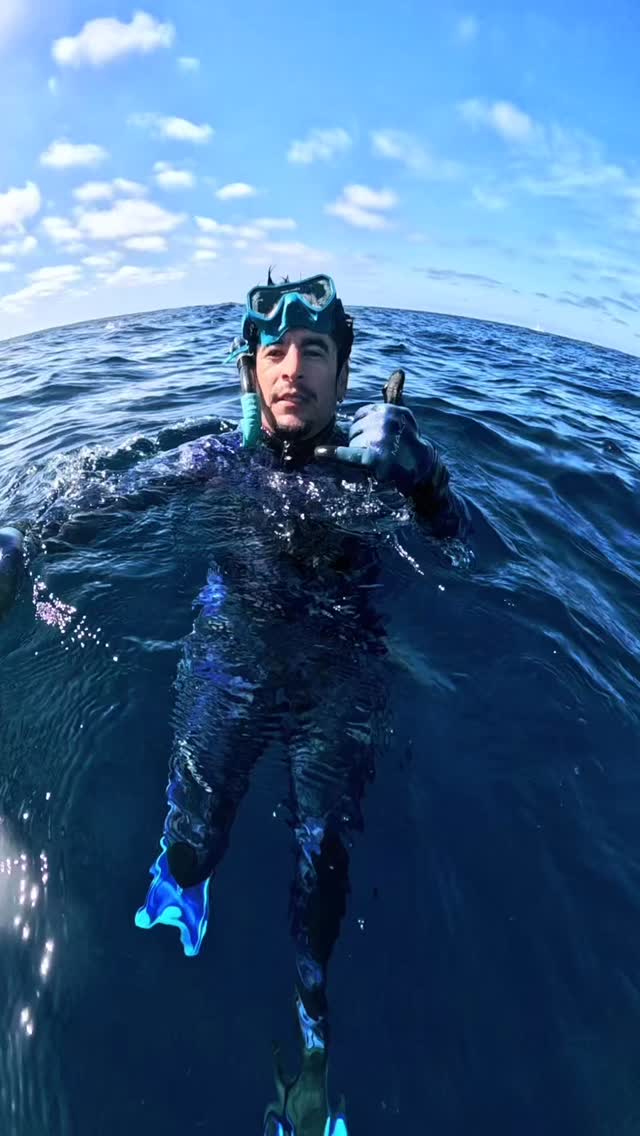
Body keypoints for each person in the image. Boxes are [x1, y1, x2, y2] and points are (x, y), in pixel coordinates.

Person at [0, 274, 470, 1134]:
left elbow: (482, 560)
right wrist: (24, 542)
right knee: (194, 822)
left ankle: (315, 1038)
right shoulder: (218, 461)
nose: (294, 368)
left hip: (340, 678)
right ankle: (185, 885)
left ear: (342, 371)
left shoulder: (380, 475)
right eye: (275, 353)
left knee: (322, 854)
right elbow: (109, 500)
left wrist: (433, 484)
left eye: (315, 352)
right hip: (230, 656)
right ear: (251, 372)